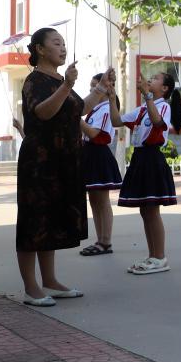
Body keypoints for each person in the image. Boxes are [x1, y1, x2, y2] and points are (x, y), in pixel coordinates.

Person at [16, 27, 113, 306]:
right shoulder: (35, 80)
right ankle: (31, 287)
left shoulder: (60, 80)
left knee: (52, 221)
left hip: (63, 161)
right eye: (56, 43)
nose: (62, 48)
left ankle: (50, 281)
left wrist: (101, 88)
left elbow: (78, 108)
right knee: (34, 222)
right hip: (40, 161)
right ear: (40, 49)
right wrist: (67, 86)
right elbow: (44, 111)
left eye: (63, 43)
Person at [118, 71, 181, 275]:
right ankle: (152, 255)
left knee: (152, 210)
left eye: (155, 78)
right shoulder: (142, 109)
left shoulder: (163, 106)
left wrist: (147, 96)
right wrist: (110, 97)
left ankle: (160, 257)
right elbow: (116, 120)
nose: (150, 79)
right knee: (144, 210)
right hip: (140, 158)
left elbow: (157, 122)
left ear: (164, 88)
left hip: (152, 157)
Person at [79, 73, 123, 257]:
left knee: (102, 201)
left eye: (94, 85)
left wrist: (76, 118)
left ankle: (106, 241)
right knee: (94, 200)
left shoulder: (106, 109)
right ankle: (100, 240)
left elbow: (96, 135)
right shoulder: (95, 109)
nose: (91, 89)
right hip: (89, 154)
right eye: (90, 85)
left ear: (106, 88)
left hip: (99, 155)